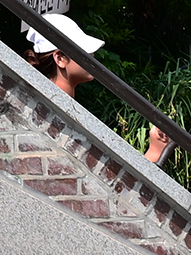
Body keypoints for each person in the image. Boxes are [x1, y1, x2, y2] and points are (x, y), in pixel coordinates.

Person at [25, 13, 173, 165]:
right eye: (83, 51)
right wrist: (155, 152)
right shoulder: (58, 115)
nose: (92, 56)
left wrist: (156, 149)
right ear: (60, 59)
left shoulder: (48, 106)